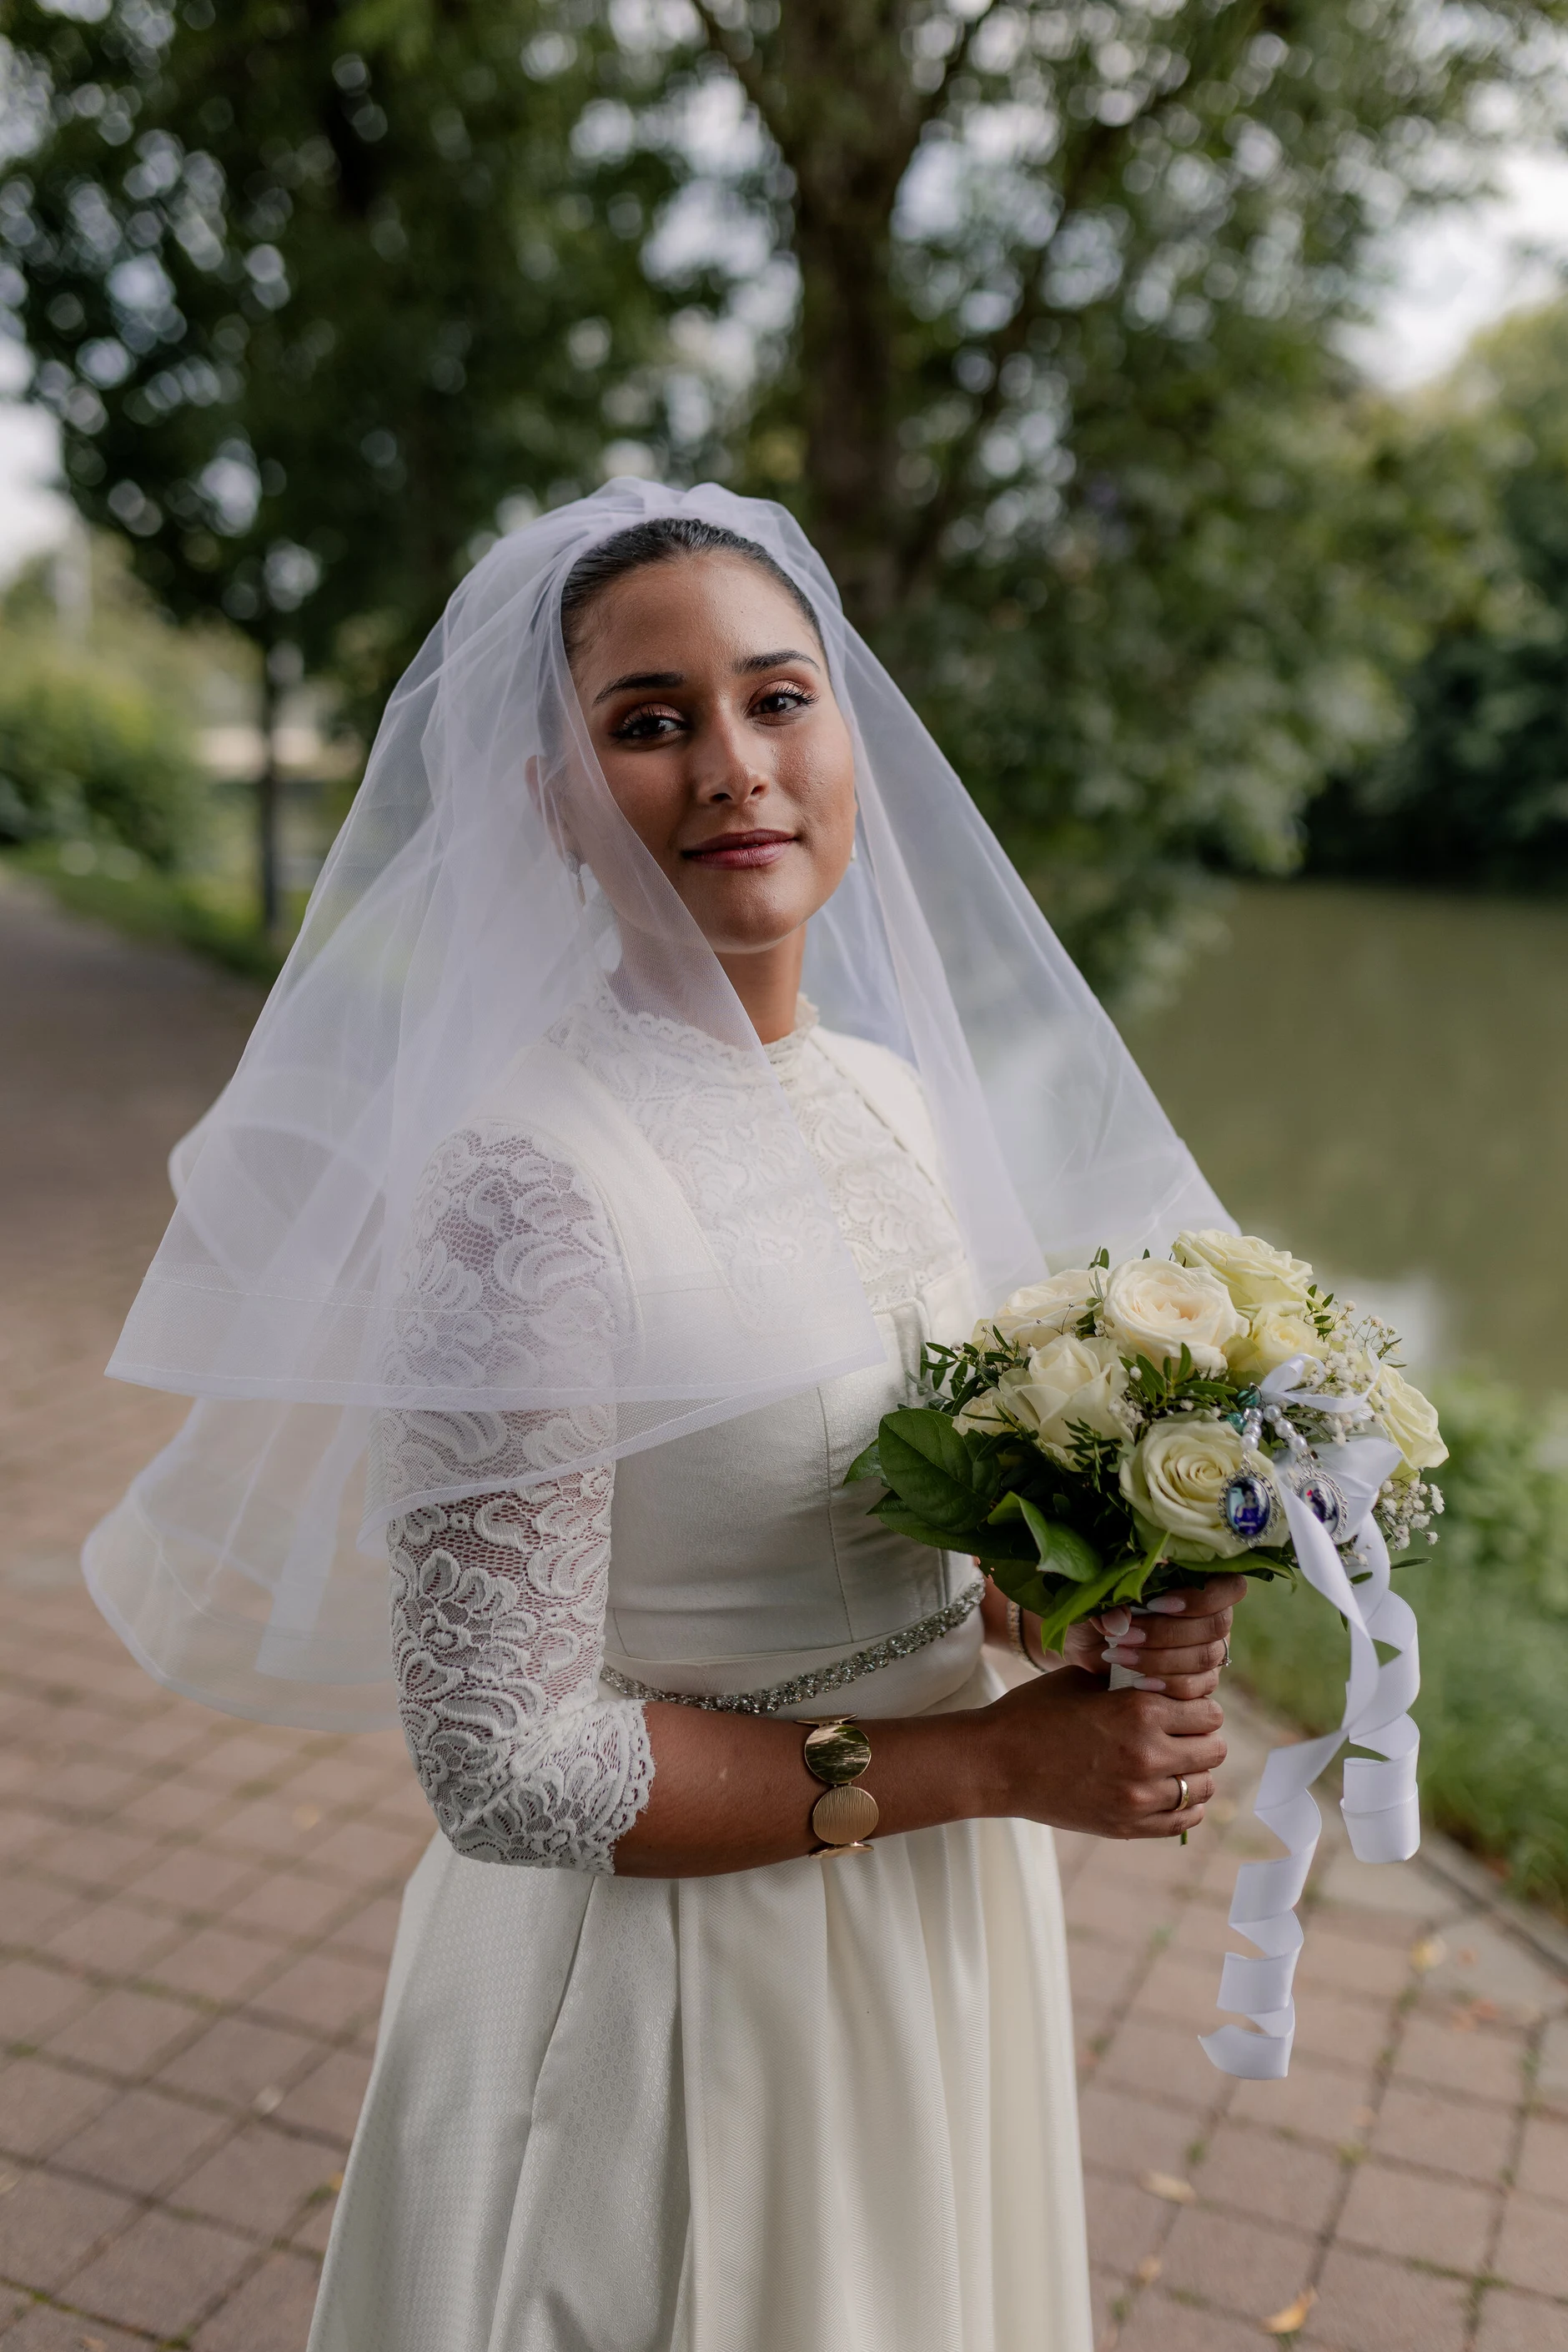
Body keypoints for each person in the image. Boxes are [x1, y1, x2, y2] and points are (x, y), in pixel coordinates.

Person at [84, 483, 1242, 2351]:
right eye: (648, 722)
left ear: (848, 736)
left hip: (934, 1922)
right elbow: (503, 1763)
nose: (733, 768)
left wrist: (1081, 1607)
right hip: (681, 1982)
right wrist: (996, 1768)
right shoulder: (523, 1188)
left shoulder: (891, 1098)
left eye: (779, 699)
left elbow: (908, 1538)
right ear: (550, 803)